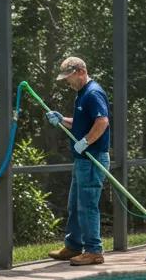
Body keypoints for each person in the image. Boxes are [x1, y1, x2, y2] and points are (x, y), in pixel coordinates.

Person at [46, 56, 111, 266]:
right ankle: (73, 246)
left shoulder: (93, 93)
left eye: (69, 77)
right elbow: (82, 123)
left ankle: (94, 251)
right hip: (82, 159)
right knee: (74, 204)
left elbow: (102, 121)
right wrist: (62, 120)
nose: (67, 81)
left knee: (87, 206)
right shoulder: (82, 94)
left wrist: (85, 142)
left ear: (81, 72)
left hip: (93, 159)